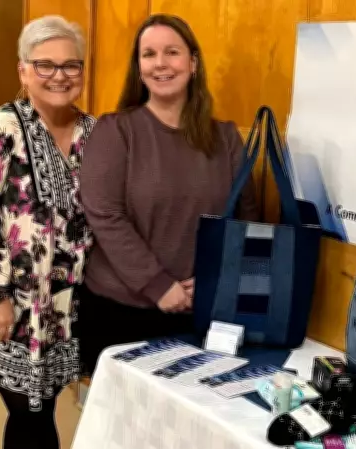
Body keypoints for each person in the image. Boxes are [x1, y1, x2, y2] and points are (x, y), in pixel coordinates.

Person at [0, 15, 95, 449]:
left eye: (71, 65)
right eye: (44, 65)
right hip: (9, 305)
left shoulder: (94, 132)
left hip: (65, 304)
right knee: (32, 413)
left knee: (40, 407)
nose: (59, 76)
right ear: (23, 71)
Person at [78, 13, 258, 375]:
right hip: (124, 313)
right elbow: (105, 216)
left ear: (193, 63)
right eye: (148, 54)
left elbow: (246, 219)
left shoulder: (225, 138)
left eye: (171, 52)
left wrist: (214, 279)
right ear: (138, 67)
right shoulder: (116, 131)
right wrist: (158, 285)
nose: (160, 63)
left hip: (204, 310)